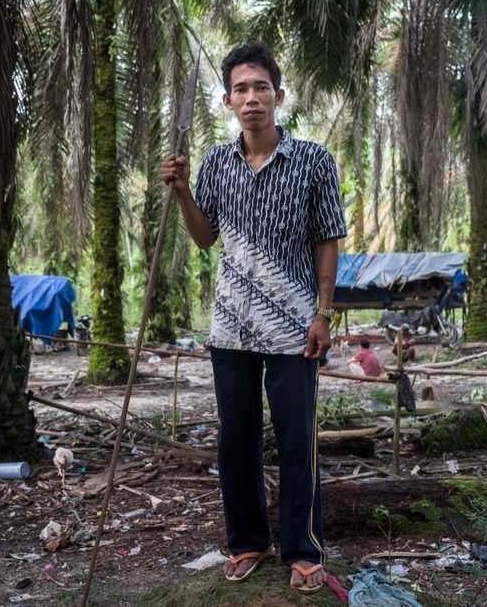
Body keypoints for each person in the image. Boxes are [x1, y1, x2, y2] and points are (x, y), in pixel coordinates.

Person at [160, 42, 346, 594]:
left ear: (279, 96)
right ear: (227, 101)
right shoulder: (218, 162)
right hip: (231, 327)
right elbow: (203, 236)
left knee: (297, 437)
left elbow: (327, 238)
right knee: (236, 438)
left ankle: (303, 549)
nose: (251, 98)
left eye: (260, 87)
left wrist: (323, 313)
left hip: (294, 326)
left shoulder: (313, 160)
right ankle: (246, 543)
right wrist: (181, 192)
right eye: (241, 89)